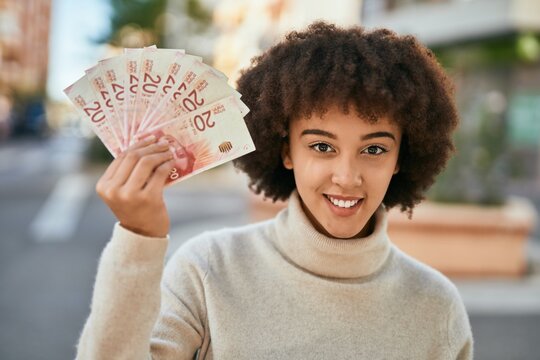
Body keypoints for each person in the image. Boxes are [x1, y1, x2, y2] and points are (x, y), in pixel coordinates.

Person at [76, 22, 473, 359]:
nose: (347, 176)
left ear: (401, 158)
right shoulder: (208, 269)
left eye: (374, 149)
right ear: (286, 151)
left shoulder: (437, 306)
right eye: (322, 146)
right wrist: (139, 239)